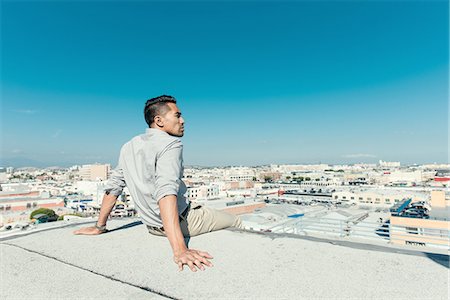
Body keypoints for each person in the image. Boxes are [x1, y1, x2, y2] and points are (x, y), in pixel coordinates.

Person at [74, 95, 242, 272]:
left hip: (152, 227)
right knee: (237, 221)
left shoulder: (129, 145)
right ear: (159, 120)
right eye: (177, 115)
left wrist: (99, 226)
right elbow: (166, 192)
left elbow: (114, 187)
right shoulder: (170, 144)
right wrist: (179, 250)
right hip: (183, 222)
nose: (183, 120)